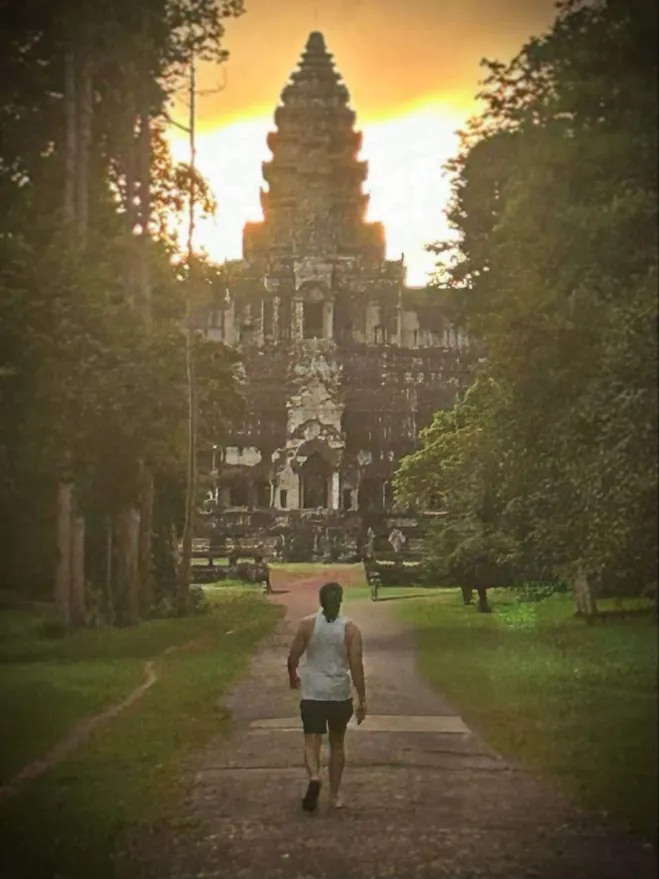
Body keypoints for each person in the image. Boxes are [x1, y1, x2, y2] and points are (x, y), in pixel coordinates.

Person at [287, 582, 367, 813]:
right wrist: (362, 699)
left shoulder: (307, 625)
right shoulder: (351, 630)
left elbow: (293, 656)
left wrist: (293, 674)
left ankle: (314, 776)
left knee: (312, 740)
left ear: (320, 601)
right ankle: (334, 796)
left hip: (313, 692)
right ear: (340, 601)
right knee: (337, 743)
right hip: (338, 693)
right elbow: (356, 667)